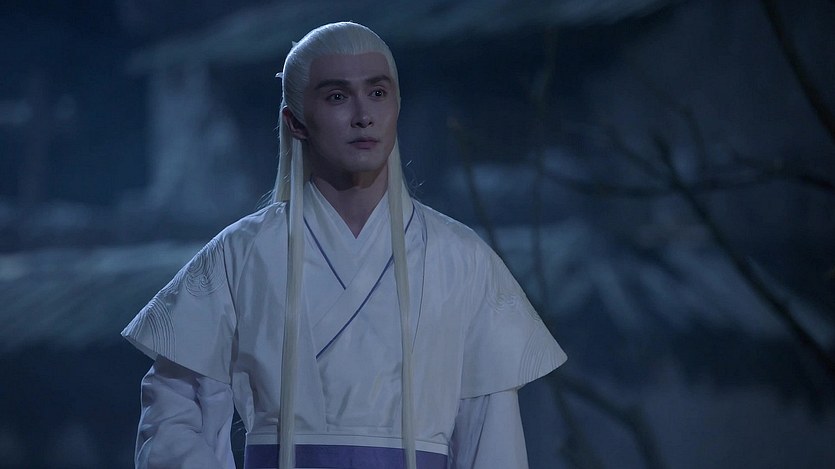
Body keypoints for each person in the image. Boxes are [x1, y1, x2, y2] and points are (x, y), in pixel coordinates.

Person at [122, 21, 566, 469]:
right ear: (295, 122)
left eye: (378, 93)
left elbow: (493, 439)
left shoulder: (461, 258)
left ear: (396, 107)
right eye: (337, 96)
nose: (363, 115)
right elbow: (175, 414)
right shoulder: (241, 254)